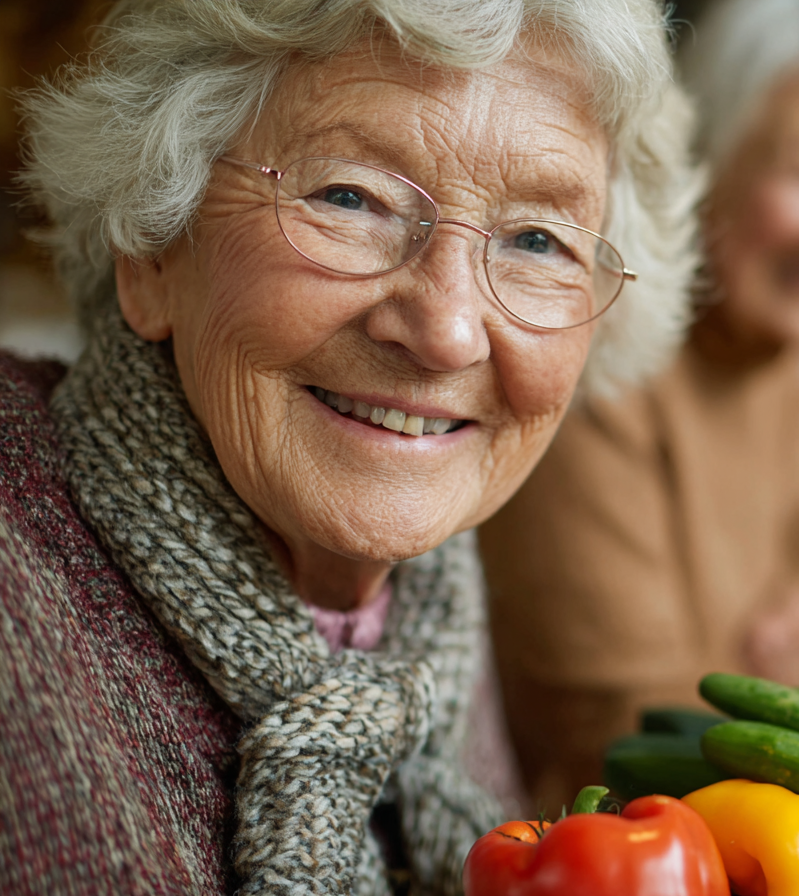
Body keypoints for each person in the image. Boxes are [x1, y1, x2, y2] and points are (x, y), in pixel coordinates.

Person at [0, 0, 697, 892]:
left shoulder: (430, 607)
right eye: (350, 196)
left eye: (536, 240)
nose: (446, 331)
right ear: (151, 247)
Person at [480, 0, 799, 812]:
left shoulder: (777, 358)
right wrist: (789, 689)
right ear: (708, 158)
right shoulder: (603, 357)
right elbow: (630, 734)